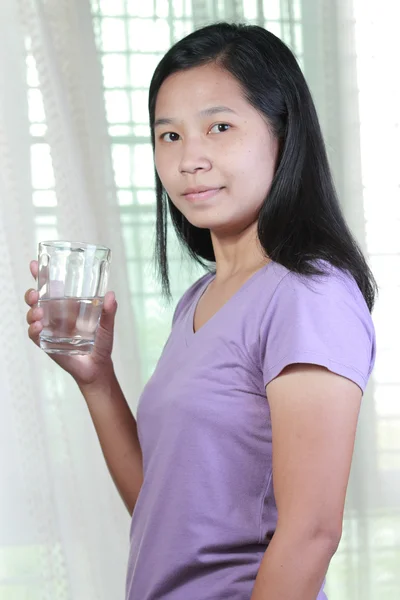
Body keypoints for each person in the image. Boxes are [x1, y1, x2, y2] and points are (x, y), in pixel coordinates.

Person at [25, 22, 377, 600]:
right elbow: (165, 512)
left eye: (219, 127)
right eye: (169, 136)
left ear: (281, 137)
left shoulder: (308, 295)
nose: (190, 159)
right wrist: (96, 379)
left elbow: (312, 532)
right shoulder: (201, 298)